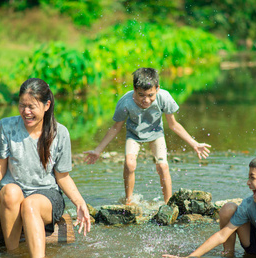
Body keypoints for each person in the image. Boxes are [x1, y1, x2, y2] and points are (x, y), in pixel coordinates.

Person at [0, 78, 91, 258]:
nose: (26, 112)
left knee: (30, 204)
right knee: (10, 191)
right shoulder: (6, 127)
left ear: (47, 105)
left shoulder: (60, 133)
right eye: (22, 106)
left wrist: (80, 203)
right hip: (11, 198)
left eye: (32, 106)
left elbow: (62, 177)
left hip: (46, 197)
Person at [84, 68, 211, 204]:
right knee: (130, 164)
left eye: (150, 95)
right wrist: (98, 150)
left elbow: (174, 125)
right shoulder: (125, 102)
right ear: (134, 89)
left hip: (157, 133)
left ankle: (168, 203)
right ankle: (128, 201)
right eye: (141, 95)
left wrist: (194, 144)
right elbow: (115, 128)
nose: (146, 100)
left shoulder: (164, 97)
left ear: (157, 88)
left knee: (163, 166)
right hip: (134, 134)